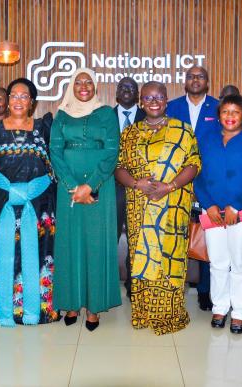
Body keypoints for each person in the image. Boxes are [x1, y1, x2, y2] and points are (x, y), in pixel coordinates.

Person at [115, 81, 201, 335]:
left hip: (173, 205)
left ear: (166, 100)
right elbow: (118, 166)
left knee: (169, 260)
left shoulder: (183, 130)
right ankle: (143, 312)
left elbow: (194, 164)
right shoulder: (129, 133)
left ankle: (171, 314)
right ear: (141, 102)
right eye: (148, 98)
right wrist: (136, 183)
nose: (153, 102)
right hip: (139, 205)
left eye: (159, 97)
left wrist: (170, 186)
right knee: (142, 258)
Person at [0, 78, 59, 326]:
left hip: (40, 204)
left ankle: (39, 311)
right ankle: (1, 311)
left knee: (39, 255)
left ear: (32, 102)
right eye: (14, 95)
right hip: (1, 203)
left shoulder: (43, 128)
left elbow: (54, 167)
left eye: (25, 96)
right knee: (1, 256)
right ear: (8, 100)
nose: (19, 100)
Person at [50, 69, 121, 331]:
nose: (83, 86)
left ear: (95, 87)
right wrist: (72, 186)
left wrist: (90, 186)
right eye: (78, 82)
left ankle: (93, 306)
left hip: (100, 186)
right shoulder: (62, 114)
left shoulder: (106, 114)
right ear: (71, 86)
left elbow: (112, 151)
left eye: (88, 82)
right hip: (68, 188)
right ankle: (70, 302)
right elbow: (55, 151)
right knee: (70, 243)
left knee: (95, 243)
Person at [194, 94, 242, 334]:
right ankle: (220, 307)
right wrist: (210, 205)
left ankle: (239, 312)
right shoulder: (207, 140)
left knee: (241, 263)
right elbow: (198, 175)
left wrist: (235, 206)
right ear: (219, 116)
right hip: (213, 212)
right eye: (225, 112)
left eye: (235, 112)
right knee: (217, 262)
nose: (230, 116)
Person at [166, 65, 218, 311]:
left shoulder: (218, 107)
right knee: (176, 235)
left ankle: (205, 291)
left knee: (207, 236)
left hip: (209, 183)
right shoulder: (172, 107)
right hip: (175, 183)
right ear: (184, 81)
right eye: (190, 76)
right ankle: (176, 285)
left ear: (207, 82)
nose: (195, 80)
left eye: (200, 76)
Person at [113, 76, 145, 299]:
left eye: (131, 88)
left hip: (140, 188)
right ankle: (107, 283)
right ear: (116, 93)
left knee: (138, 237)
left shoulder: (149, 117)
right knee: (109, 236)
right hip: (111, 187)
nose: (126, 90)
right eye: (122, 87)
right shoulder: (104, 116)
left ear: (137, 95)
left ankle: (134, 282)